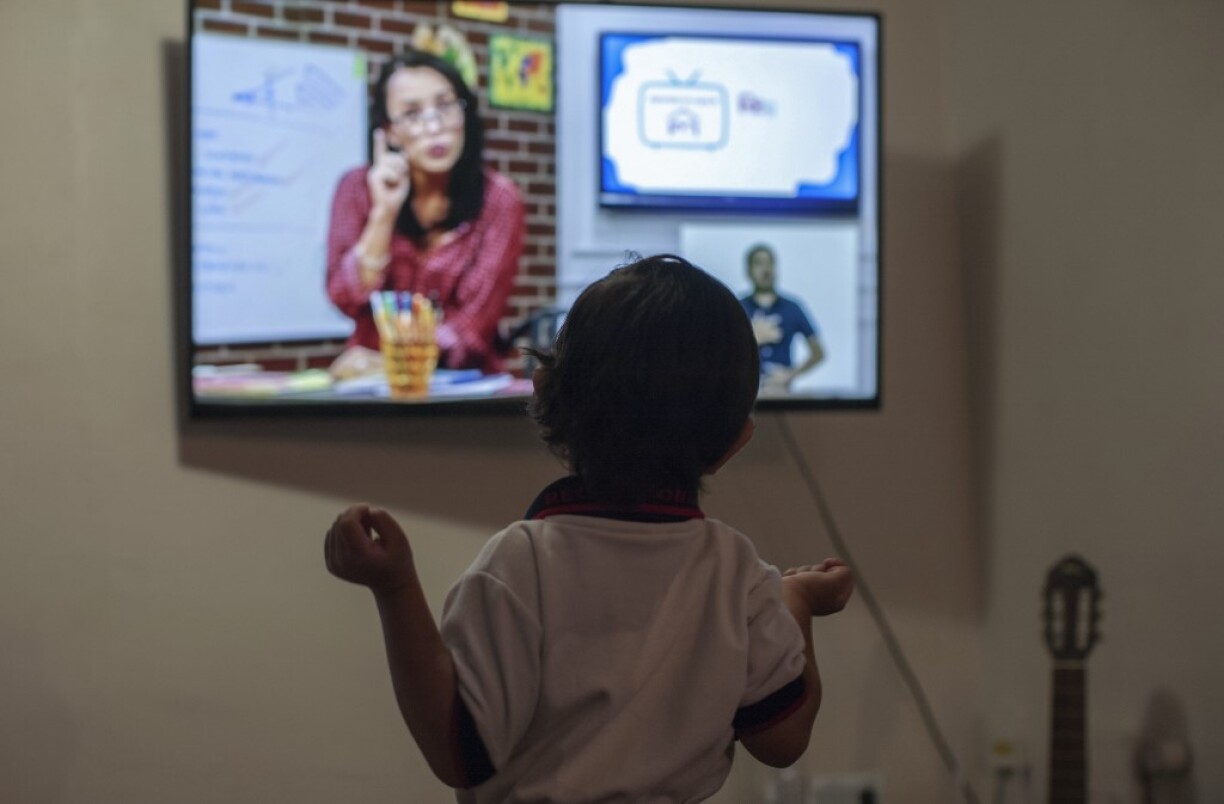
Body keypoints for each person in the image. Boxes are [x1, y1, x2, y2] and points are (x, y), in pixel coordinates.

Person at [324, 254, 855, 801]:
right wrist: (796, 602)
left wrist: (394, 588)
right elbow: (782, 738)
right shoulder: (736, 573)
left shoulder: (521, 565)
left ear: (543, 390)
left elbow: (460, 751)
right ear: (733, 445)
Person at [326, 49, 525, 376]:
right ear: (388, 131)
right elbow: (346, 298)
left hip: (461, 389)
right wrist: (383, 213)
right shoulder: (356, 188)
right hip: (371, 387)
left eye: (445, 106)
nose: (434, 126)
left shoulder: (499, 199)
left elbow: (473, 327)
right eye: (412, 113)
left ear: (464, 115)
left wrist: (398, 362)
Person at [739, 243, 826, 393]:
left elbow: (818, 352)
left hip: (781, 394)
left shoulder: (792, 307)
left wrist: (791, 374)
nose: (765, 269)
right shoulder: (738, 307)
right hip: (745, 394)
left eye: (769, 263)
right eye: (759, 263)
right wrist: (753, 339)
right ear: (748, 271)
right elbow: (720, 354)